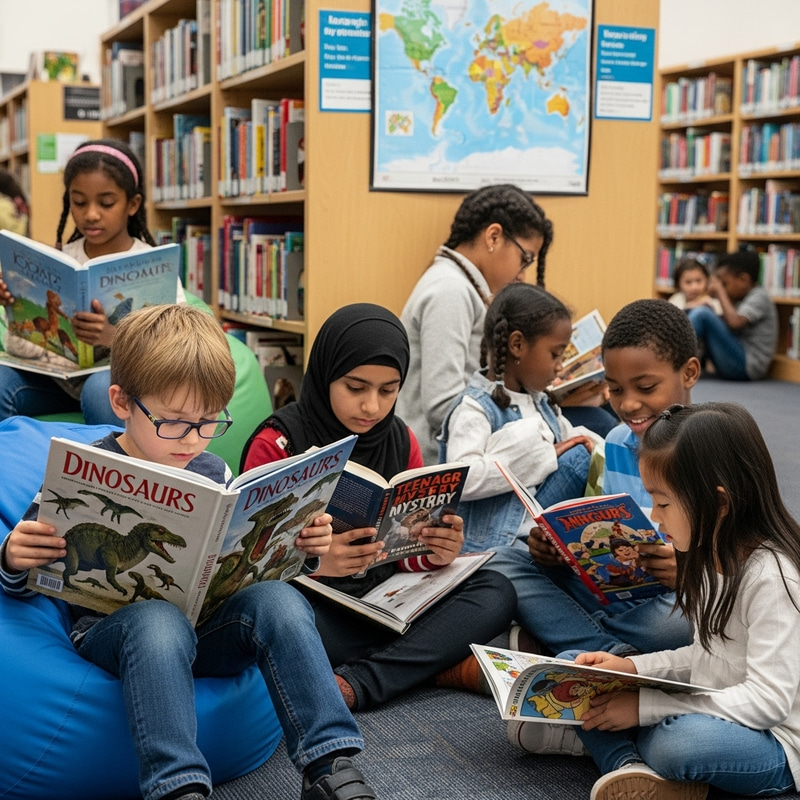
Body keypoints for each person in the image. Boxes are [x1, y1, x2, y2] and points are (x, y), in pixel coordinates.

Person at [0, 304, 377, 800]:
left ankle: (331, 766)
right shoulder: (80, 472)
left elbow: (249, 567)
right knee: (158, 619)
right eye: (174, 422)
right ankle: (177, 786)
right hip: (117, 633)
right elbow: (30, 571)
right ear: (121, 402)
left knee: (283, 604)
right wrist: (11, 557)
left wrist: (302, 548)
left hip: (208, 628)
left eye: (207, 423)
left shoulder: (212, 472)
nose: (192, 439)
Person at [241, 303, 516, 711]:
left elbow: (402, 556)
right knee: (285, 627)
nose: (372, 406)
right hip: (312, 607)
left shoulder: (401, 440)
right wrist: (316, 563)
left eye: (389, 390)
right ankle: (423, 664)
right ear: (325, 373)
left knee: (496, 591)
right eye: (356, 388)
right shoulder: (279, 443)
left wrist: (435, 552)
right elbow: (248, 564)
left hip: (383, 599)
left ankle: (357, 681)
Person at [485, 299, 699, 759]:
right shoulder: (617, 443)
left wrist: (688, 570)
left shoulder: (713, 447)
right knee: (504, 560)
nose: (628, 405)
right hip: (611, 598)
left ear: (690, 373)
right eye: (615, 389)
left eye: (645, 387)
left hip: (674, 604)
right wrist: (554, 550)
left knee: (674, 625)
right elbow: (600, 527)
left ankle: (591, 656)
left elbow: (746, 566)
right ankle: (616, 658)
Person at [567, 403, 800, 800]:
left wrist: (646, 707)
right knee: (576, 672)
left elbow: (766, 703)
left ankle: (621, 752)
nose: (655, 519)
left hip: (776, 745)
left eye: (663, 503)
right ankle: (635, 769)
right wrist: (630, 666)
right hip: (721, 709)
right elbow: (705, 656)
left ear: (719, 504)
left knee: (679, 744)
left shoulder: (773, 578)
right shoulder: (711, 556)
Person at [396, 184, 615, 465]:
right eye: (524, 259)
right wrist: (540, 408)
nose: (523, 275)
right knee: (595, 429)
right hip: (447, 457)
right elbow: (443, 407)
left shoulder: (464, 286)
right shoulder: (450, 291)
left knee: (593, 419)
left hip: (484, 428)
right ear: (494, 236)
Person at [0, 138, 184, 426]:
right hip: (58, 379)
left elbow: (177, 346)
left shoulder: (155, 263)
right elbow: (26, 340)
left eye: (106, 202)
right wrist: (14, 302)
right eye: (79, 202)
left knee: (101, 390)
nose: (91, 214)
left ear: (132, 204)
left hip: (120, 383)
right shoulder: (61, 258)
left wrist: (112, 338)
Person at [438, 282, 603, 552]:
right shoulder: (475, 407)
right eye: (555, 354)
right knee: (579, 459)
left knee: (593, 449)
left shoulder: (541, 400)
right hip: (494, 544)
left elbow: (575, 442)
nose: (560, 366)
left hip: (535, 534)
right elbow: (460, 480)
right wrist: (544, 454)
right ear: (517, 344)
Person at [687, 249, 777, 380]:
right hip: (737, 359)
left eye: (725, 284)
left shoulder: (760, 296)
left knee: (703, 315)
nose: (723, 288)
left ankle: (667, 354)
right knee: (705, 312)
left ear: (743, 280)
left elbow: (735, 323)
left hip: (747, 366)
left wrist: (720, 292)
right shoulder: (741, 298)